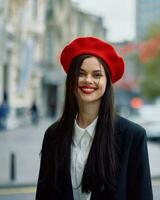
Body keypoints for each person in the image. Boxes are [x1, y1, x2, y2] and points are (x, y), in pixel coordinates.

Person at [36, 37, 153, 200]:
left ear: (107, 82)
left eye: (97, 75)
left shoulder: (132, 136)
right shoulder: (53, 135)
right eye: (81, 73)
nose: (88, 80)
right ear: (71, 80)